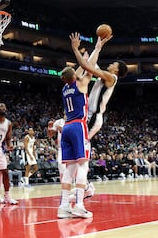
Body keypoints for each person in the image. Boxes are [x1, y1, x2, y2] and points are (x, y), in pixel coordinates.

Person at [57, 32, 99, 219]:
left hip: (66, 127)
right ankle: (80, 205)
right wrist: (97, 47)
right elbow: (87, 68)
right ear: (74, 75)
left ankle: (64, 206)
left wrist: (82, 55)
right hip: (77, 126)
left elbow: (82, 67)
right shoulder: (81, 84)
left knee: (70, 169)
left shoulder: (65, 87)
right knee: (83, 167)